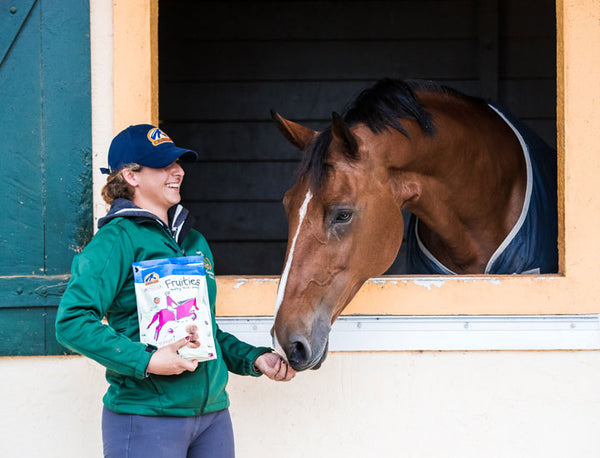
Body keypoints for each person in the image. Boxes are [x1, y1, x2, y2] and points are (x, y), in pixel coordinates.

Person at [55, 124, 295, 458]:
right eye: (164, 164)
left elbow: (204, 330)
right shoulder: (115, 241)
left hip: (212, 417)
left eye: (179, 163)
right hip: (145, 418)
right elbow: (72, 322)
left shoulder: (194, 242)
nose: (178, 171)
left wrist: (254, 358)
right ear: (131, 175)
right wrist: (149, 360)